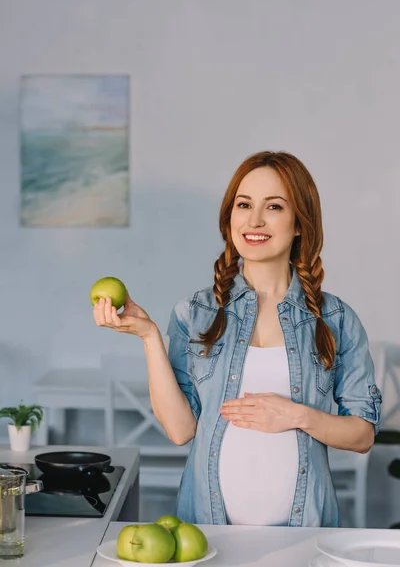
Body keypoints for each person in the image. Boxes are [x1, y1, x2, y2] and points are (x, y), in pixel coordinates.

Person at [93, 151, 382, 527]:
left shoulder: (336, 319)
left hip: (306, 534)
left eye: (274, 206)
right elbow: (181, 431)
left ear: (299, 223)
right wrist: (149, 337)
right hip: (208, 532)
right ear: (229, 218)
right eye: (243, 205)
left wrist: (296, 415)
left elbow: (362, 435)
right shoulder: (194, 313)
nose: (254, 220)